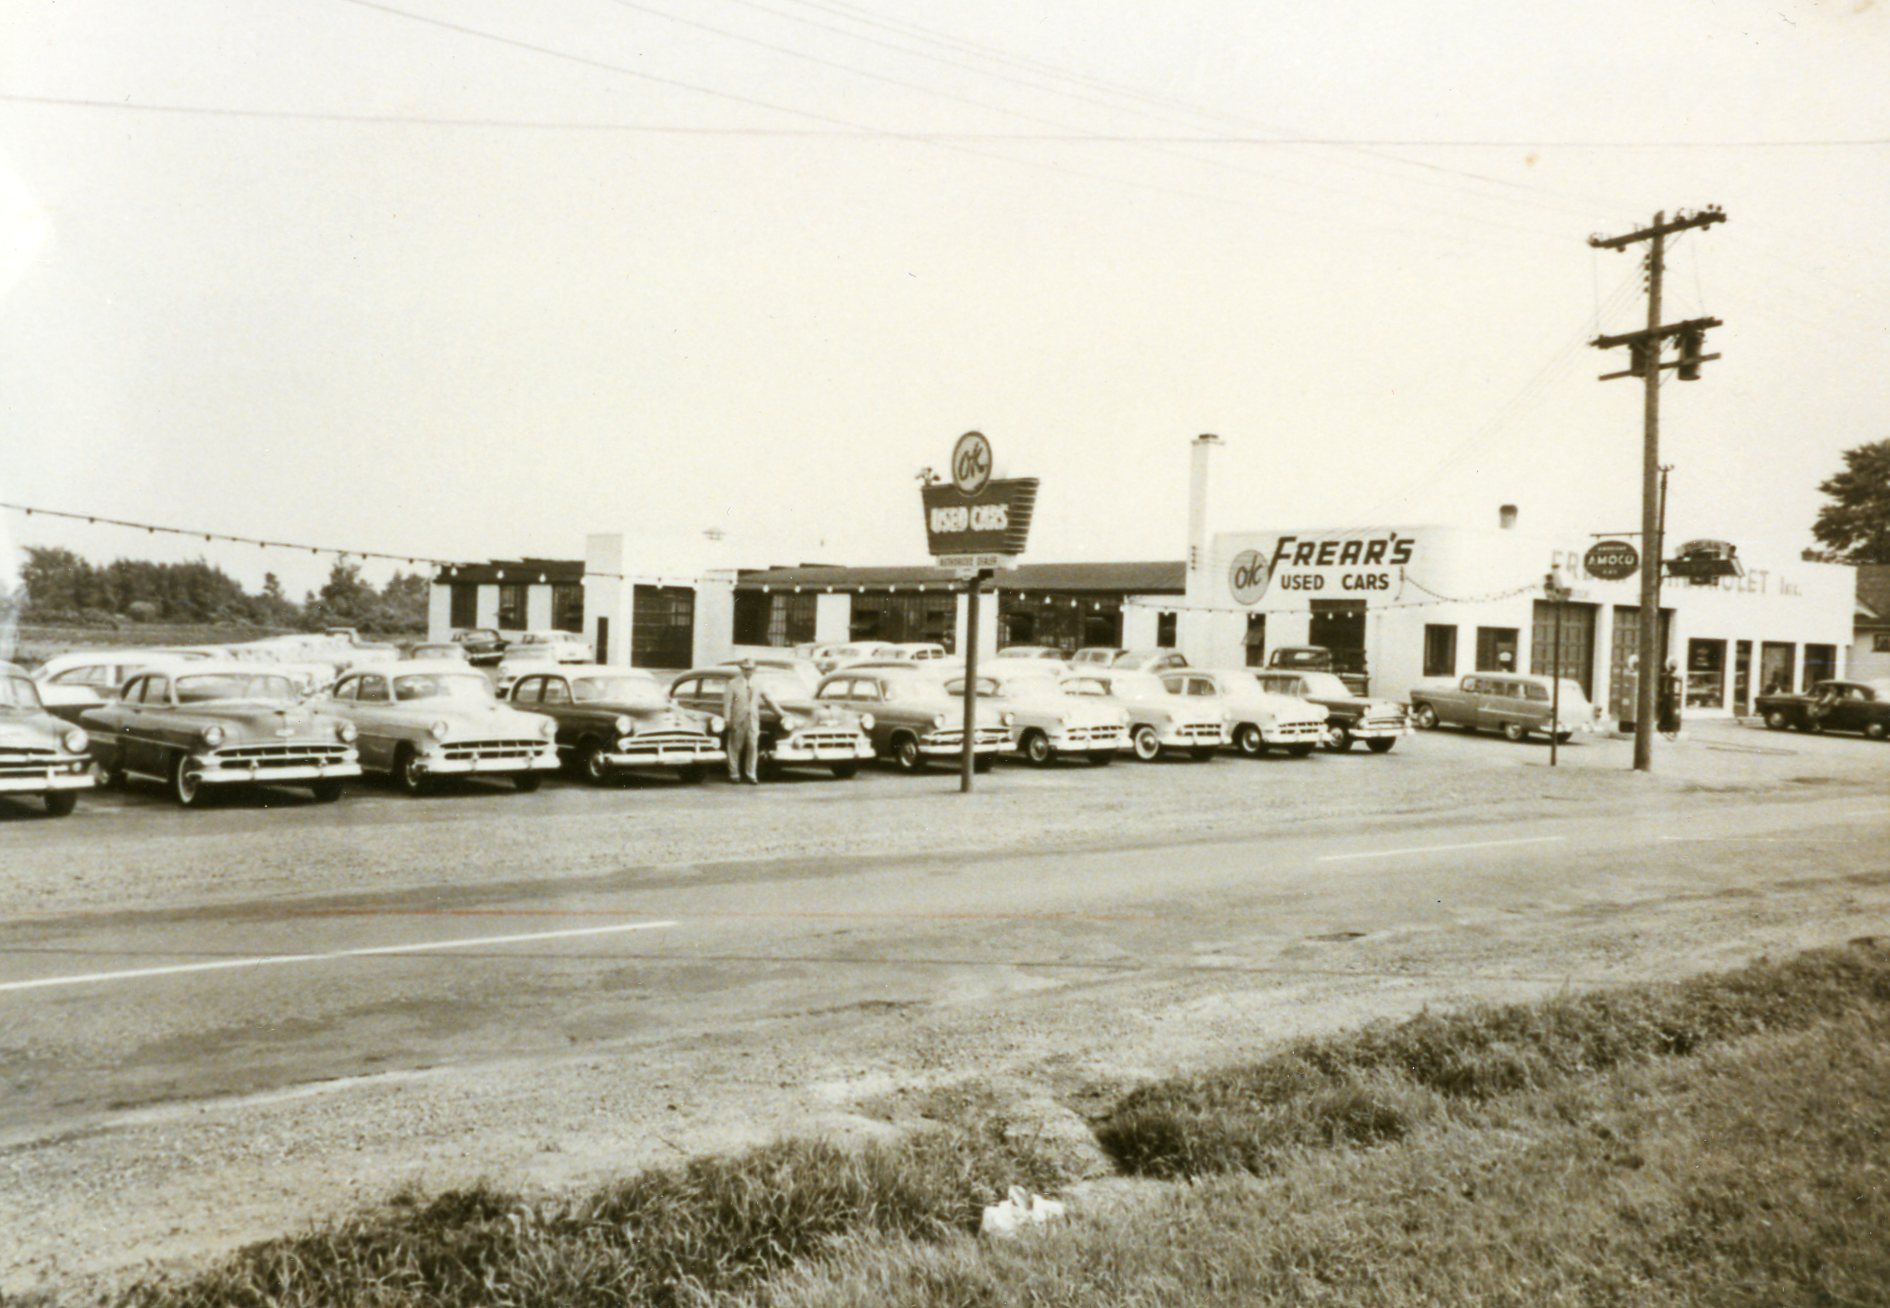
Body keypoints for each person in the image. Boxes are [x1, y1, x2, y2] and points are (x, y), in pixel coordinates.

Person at [722, 659, 783, 784]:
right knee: (735, 746)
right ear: (741, 669)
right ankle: (734, 774)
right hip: (737, 719)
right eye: (745, 668)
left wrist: (781, 713)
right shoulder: (732, 684)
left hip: (753, 720)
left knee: (753, 746)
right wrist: (727, 719)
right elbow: (727, 704)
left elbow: (768, 700)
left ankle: (751, 774)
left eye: (750, 669)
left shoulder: (758, 683)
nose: (747, 671)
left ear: (754, 670)